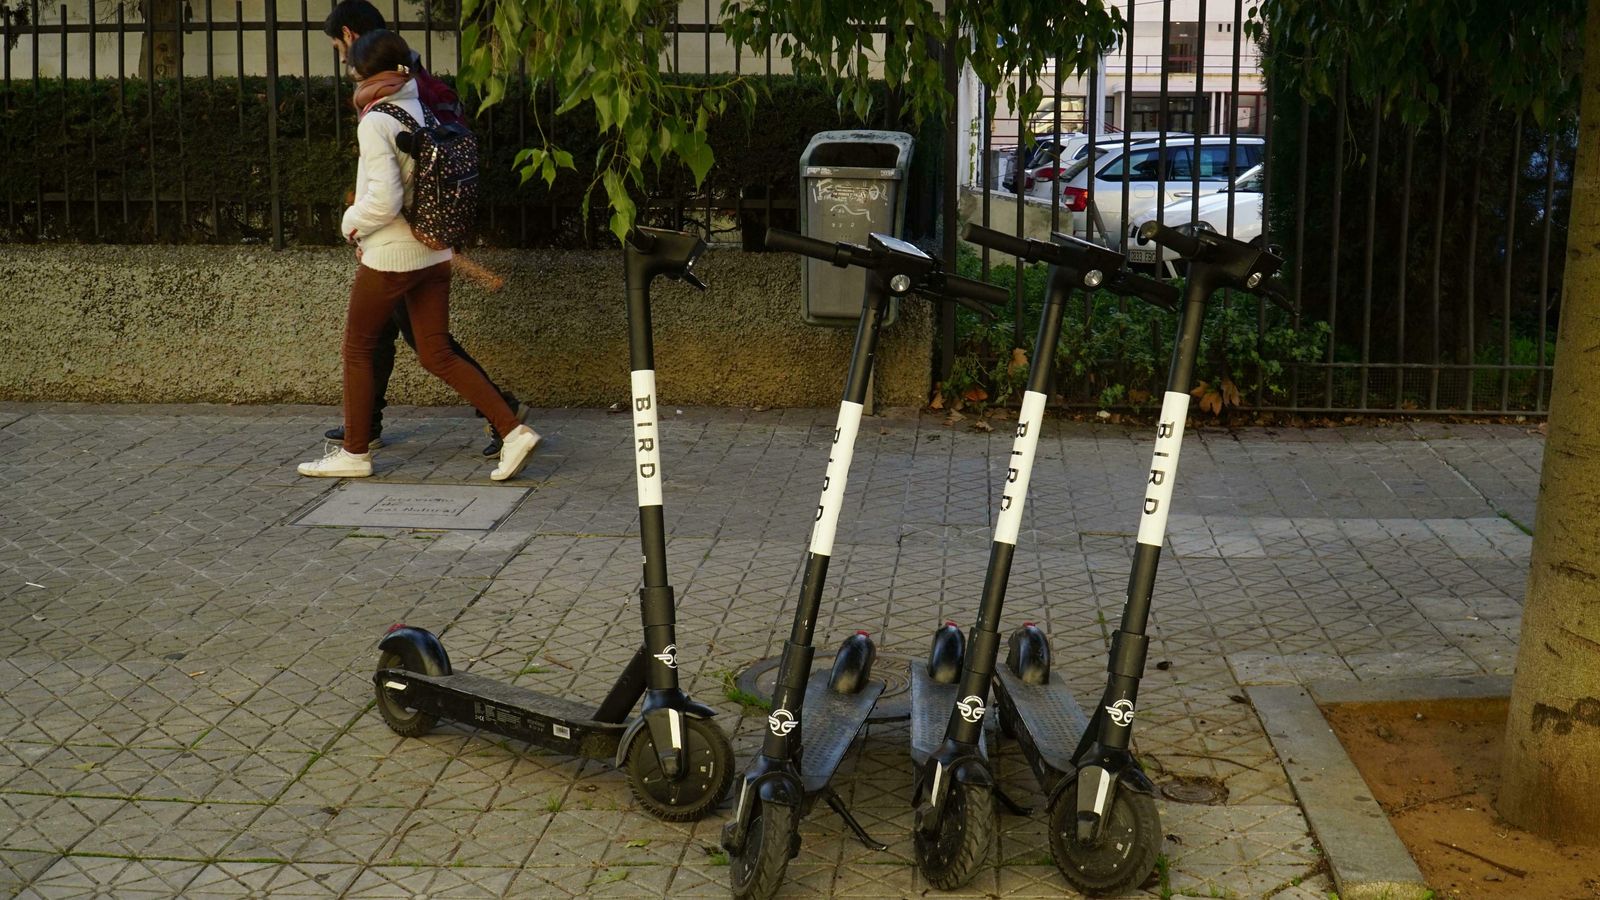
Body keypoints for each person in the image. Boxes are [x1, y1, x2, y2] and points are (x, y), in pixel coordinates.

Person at [298, 29, 539, 481]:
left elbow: (385, 200)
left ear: (365, 73)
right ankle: (512, 430)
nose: (348, 71)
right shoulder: (420, 106)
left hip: (392, 253)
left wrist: (351, 221)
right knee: (435, 351)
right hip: (433, 248)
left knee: (358, 348)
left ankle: (354, 452)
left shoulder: (375, 119)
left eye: (351, 64)